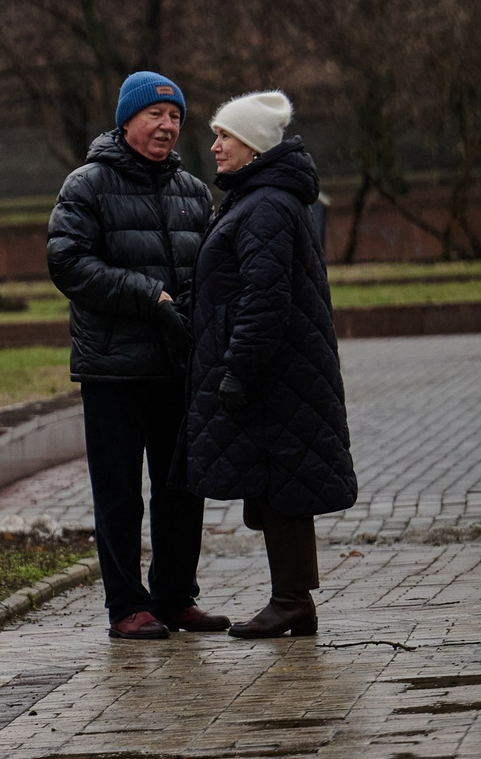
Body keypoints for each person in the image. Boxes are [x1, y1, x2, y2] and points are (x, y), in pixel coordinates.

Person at [46, 70, 227, 640]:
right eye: (156, 114)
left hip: (177, 366)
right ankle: (126, 606)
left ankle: (175, 597)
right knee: (119, 496)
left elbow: (211, 269)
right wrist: (150, 297)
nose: (167, 125)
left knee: (182, 490)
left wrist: (191, 306)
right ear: (127, 120)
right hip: (112, 370)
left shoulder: (193, 191)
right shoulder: (86, 185)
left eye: (175, 116)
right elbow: (68, 263)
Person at [181, 90, 358, 639]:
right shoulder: (257, 199)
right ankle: (294, 602)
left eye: (224, 137)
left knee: (282, 484)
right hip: (280, 371)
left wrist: (238, 368)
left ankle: (291, 601)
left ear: (253, 146)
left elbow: (264, 298)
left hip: (273, 374)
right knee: (280, 483)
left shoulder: (265, 207)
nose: (214, 146)